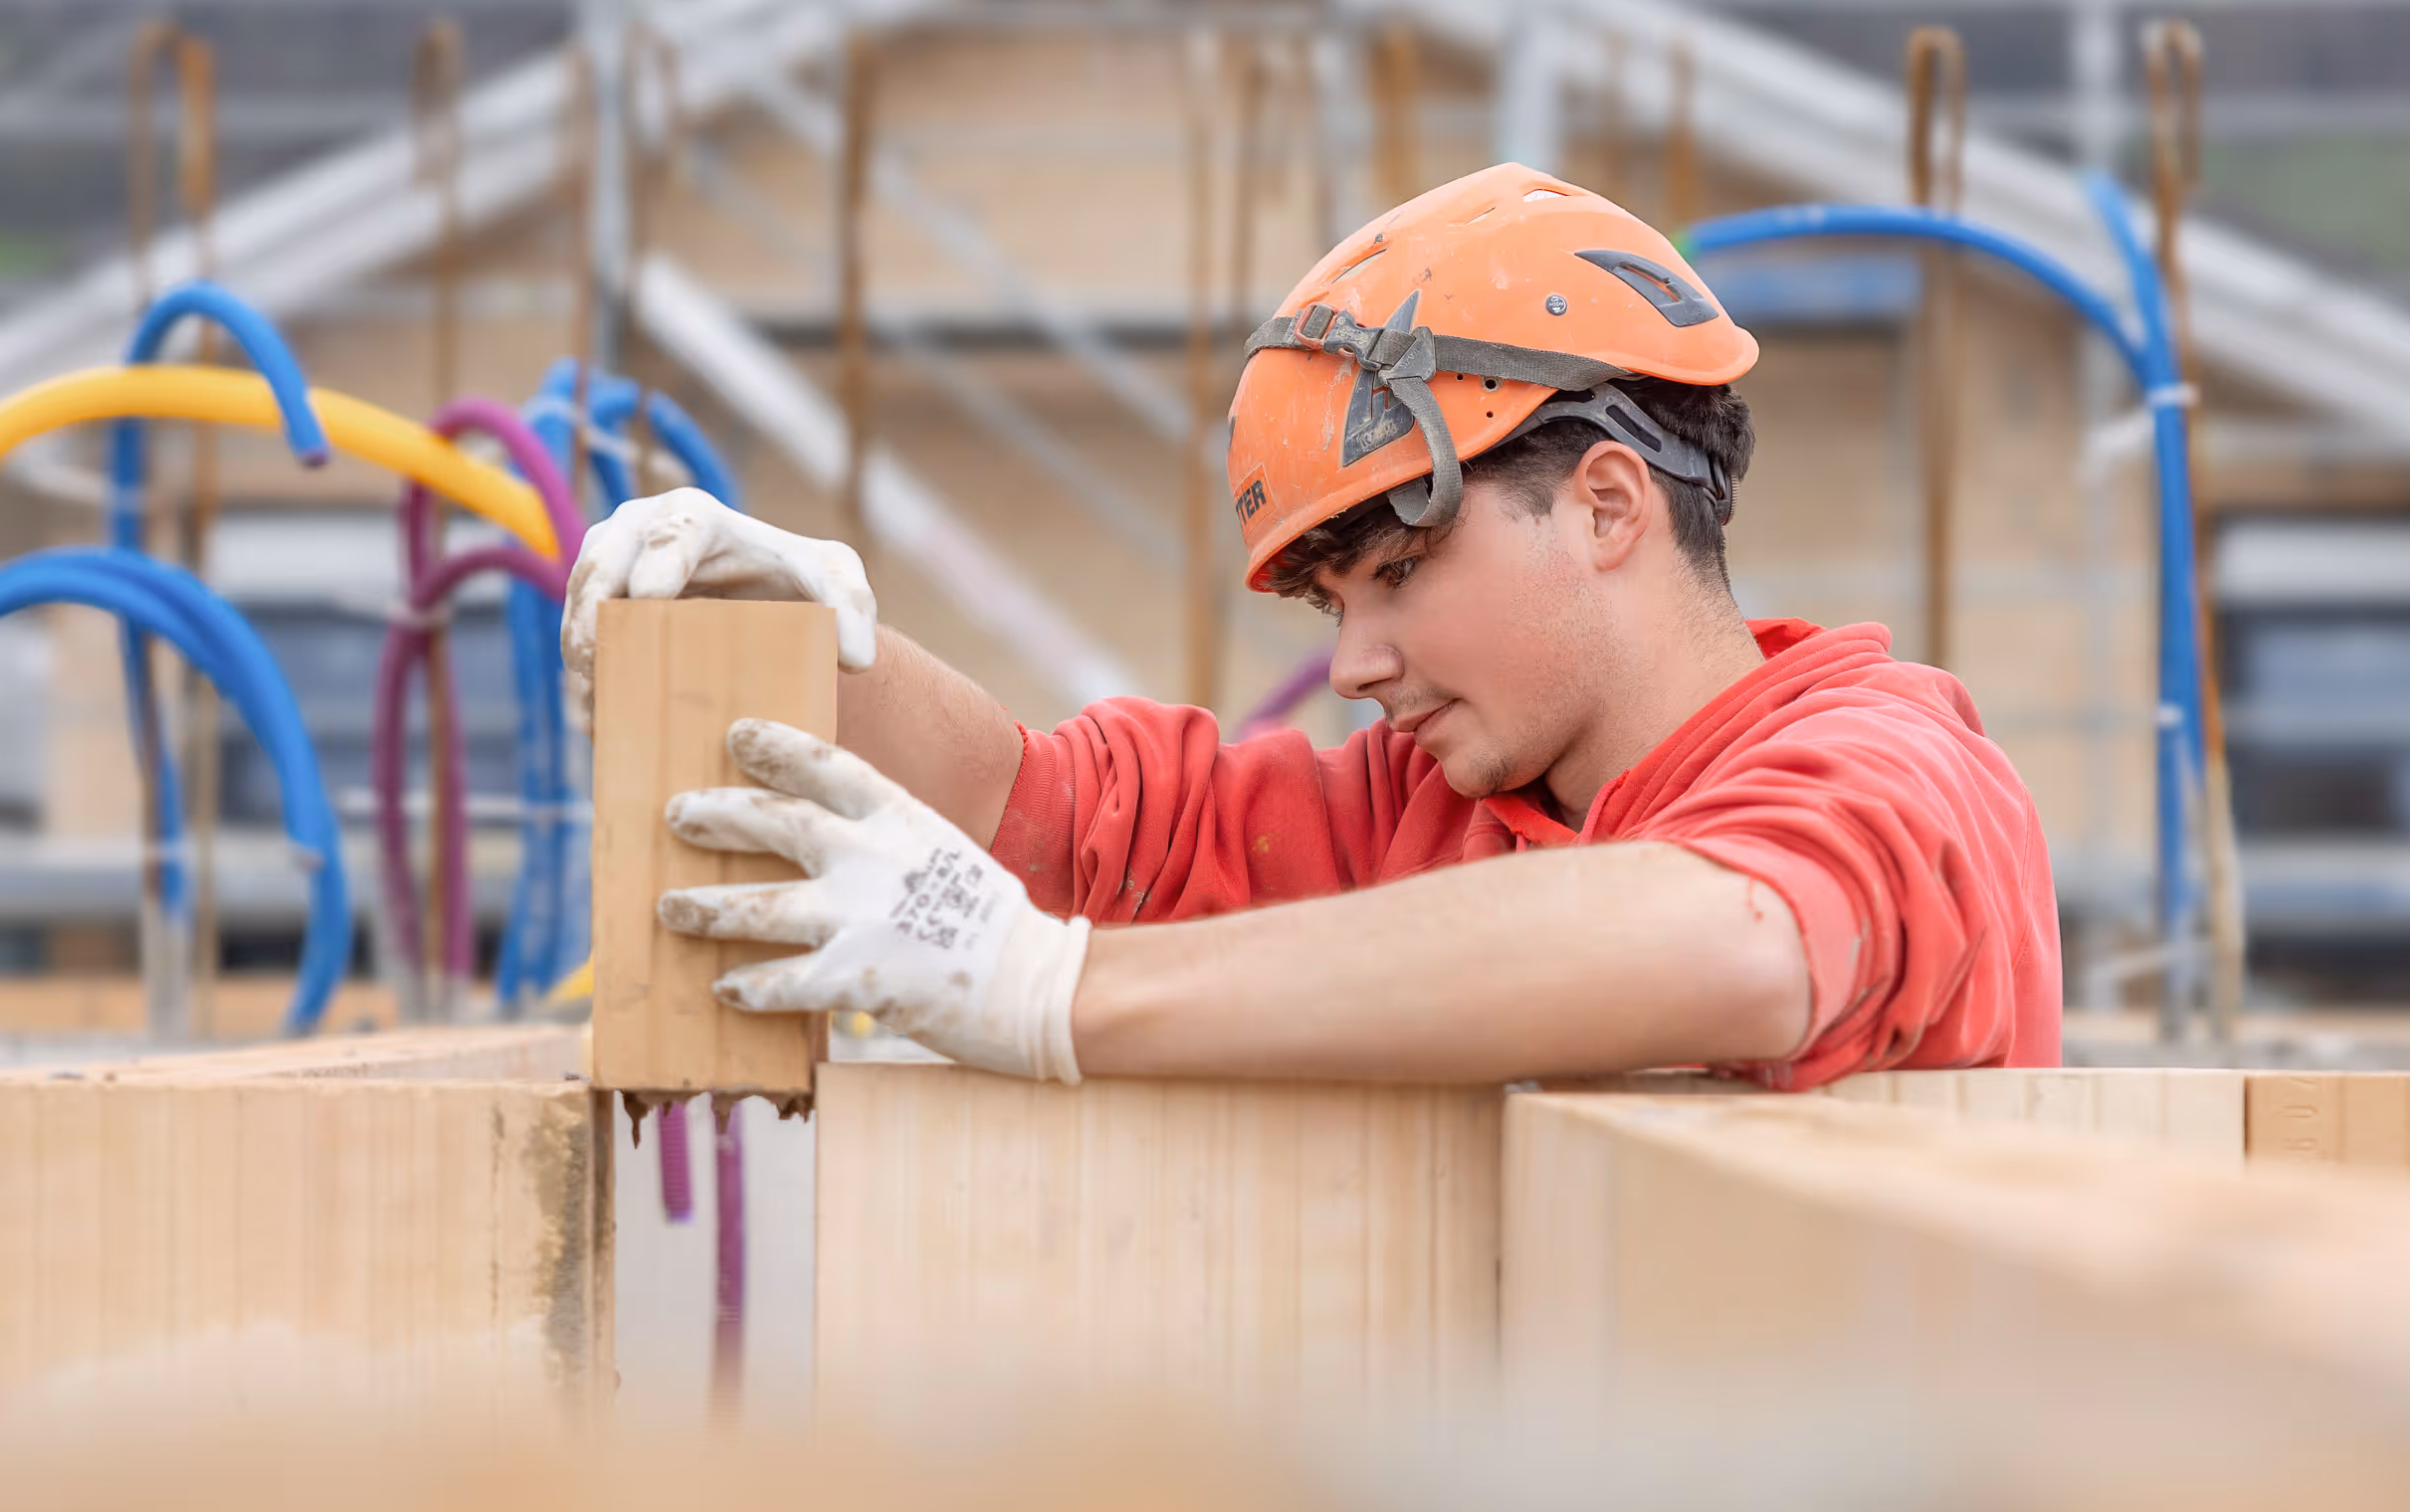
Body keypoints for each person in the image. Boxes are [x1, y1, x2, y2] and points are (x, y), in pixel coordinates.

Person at [562, 163, 2060, 1089]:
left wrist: (1057, 991)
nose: (1350, 668)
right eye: (1337, 605)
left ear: (1608, 508)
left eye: (1396, 574)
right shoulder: (1434, 821)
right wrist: (808, 659)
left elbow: (1734, 941)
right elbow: (1058, 827)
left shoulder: (1891, 765)